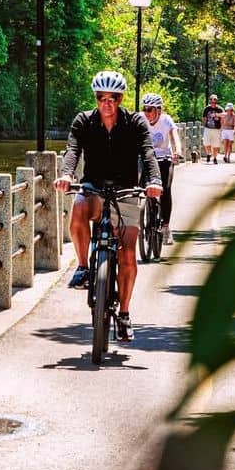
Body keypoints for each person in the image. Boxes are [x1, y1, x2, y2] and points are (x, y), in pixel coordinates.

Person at [54, 70, 162, 344]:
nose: (107, 103)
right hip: (93, 189)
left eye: (113, 98)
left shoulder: (135, 122)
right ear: (96, 99)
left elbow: (148, 153)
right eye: (102, 98)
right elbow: (72, 149)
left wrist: (154, 181)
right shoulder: (84, 121)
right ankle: (83, 267)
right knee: (78, 209)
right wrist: (67, 175)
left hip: (126, 192)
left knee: (127, 255)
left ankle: (124, 314)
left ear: (120, 99)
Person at [141, 92, 181, 244]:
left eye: (150, 109)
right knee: (138, 186)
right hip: (146, 158)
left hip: (164, 158)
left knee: (165, 188)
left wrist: (178, 151)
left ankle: (165, 227)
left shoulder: (166, 120)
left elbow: (174, 136)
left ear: (158, 110)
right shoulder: (141, 119)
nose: (147, 113)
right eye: (145, 109)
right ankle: (141, 215)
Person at [201, 94, 224, 164]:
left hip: (217, 129)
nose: (213, 103)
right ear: (210, 101)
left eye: (215, 101)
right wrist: (204, 125)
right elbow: (204, 118)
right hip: (208, 128)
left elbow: (224, 115)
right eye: (212, 101)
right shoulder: (206, 109)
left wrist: (217, 115)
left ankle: (215, 158)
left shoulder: (219, 109)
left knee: (216, 145)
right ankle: (208, 154)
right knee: (206, 143)